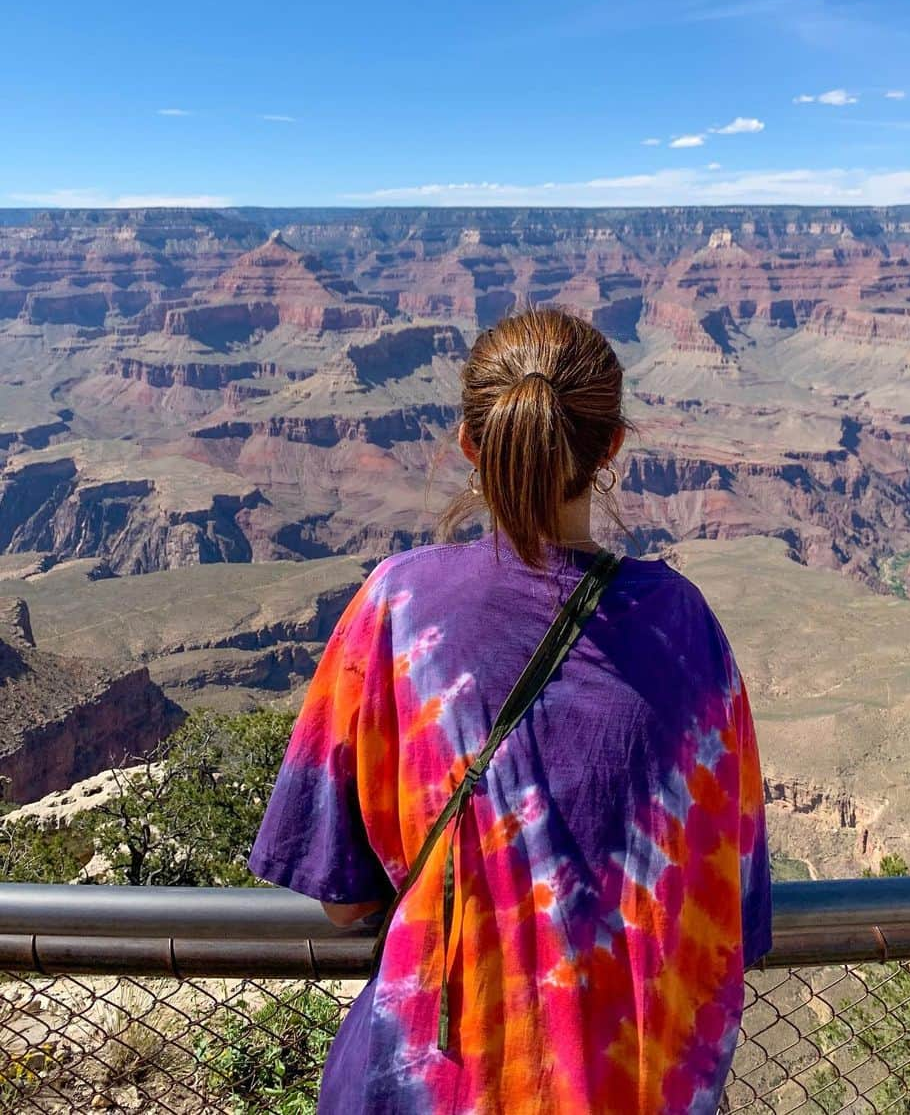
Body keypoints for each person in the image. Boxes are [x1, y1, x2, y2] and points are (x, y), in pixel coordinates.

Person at [250, 306, 772, 1114]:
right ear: (612, 450)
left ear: (469, 445)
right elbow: (726, 908)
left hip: (429, 1086)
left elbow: (343, 898)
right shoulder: (687, 631)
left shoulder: (395, 611)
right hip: (624, 1089)